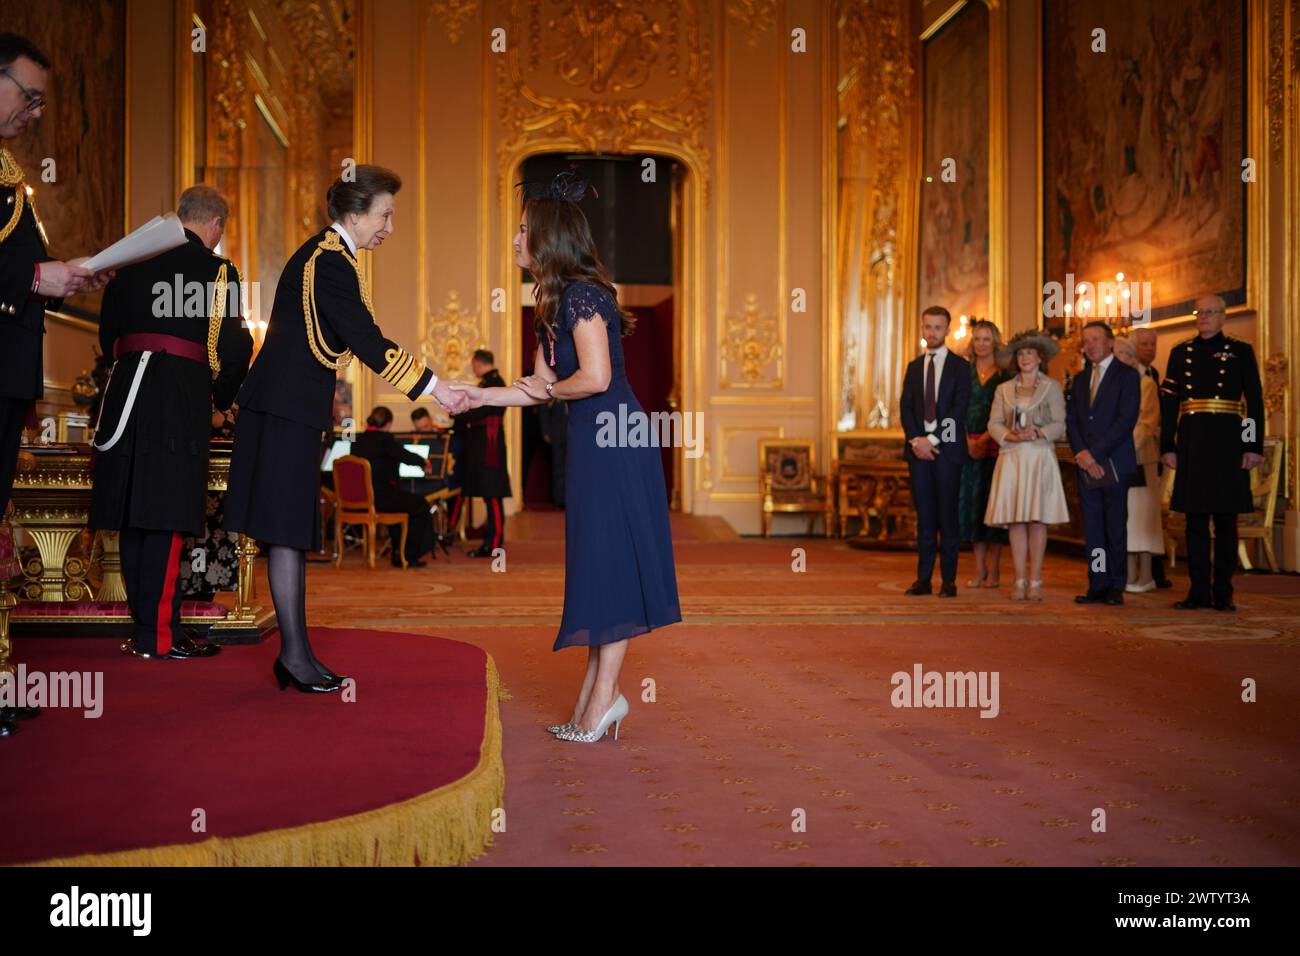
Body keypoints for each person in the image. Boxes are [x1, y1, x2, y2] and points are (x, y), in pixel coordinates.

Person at [452, 170, 681, 743]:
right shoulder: (554, 301)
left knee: (614, 564)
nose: (514, 241)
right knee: (600, 563)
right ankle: (595, 698)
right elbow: (539, 385)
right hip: (595, 440)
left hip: (615, 441)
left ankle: (602, 699)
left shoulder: (581, 295)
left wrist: (552, 390)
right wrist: (476, 394)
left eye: (522, 230)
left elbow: (595, 377)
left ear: (547, 239)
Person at [224, 165, 468, 693]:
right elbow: (365, 339)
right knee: (288, 533)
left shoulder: (330, 258)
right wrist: (436, 388)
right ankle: (294, 656)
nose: (389, 226)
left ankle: (297, 653)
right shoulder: (331, 262)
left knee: (290, 533)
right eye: (385, 215)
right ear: (354, 214)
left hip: (288, 408)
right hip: (283, 411)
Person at [90, 184, 253, 659]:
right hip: (177, 395)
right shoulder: (218, 270)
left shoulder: (132, 260)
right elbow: (230, 348)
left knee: (134, 513)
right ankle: (158, 637)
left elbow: (108, 336)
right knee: (164, 514)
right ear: (216, 226)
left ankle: (144, 628)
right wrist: (220, 398)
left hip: (122, 393)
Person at [0, 34, 110, 735]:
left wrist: (68, 273)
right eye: (29, 94)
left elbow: (27, 270)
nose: (36, 112)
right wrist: (40, 277)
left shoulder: (11, 174)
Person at [1160, 294, 1265, 611]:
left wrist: (1251, 445)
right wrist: (1168, 445)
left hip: (1228, 442)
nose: (1203, 317)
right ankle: (1198, 592)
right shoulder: (1181, 353)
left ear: (1223, 317)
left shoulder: (1240, 351)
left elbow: (1253, 404)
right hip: (1192, 441)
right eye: (1199, 312)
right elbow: (1169, 405)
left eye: (1210, 312)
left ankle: (1223, 592)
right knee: (1194, 521)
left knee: (1225, 521)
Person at [984, 330, 1070, 601]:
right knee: (1016, 520)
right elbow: (993, 423)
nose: (1025, 358)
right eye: (1020, 354)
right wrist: (1009, 435)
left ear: (1039, 357)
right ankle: (1019, 580)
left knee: (1037, 519)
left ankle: (1036, 580)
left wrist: (1037, 433)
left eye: (1029, 353)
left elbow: (1059, 423)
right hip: (1012, 457)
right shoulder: (1003, 388)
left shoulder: (1052, 387)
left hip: (1039, 456)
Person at [1066, 321, 1141, 605]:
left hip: (1115, 462)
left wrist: (1093, 453)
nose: (1091, 345)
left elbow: (1126, 420)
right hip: (1087, 466)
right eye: (1086, 341)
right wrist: (1082, 454)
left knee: (1114, 528)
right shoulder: (1081, 379)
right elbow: (1072, 421)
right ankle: (1096, 583)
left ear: (1110, 342)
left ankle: (1115, 586)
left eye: (1096, 339)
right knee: (1094, 529)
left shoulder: (1127, 376)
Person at [899, 306, 971, 597]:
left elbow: (958, 409)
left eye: (937, 327)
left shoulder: (960, 367)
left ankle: (949, 581)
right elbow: (905, 408)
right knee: (925, 516)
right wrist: (917, 440)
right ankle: (923, 579)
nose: (931, 332)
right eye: (927, 326)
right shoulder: (914, 367)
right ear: (922, 328)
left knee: (947, 516)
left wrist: (933, 440)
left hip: (947, 453)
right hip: (919, 453)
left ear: (947, 330)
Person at [958, 320, 1011, 588]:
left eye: (986, 339)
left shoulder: (1005, 377)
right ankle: (978, 570)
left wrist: (985, 438)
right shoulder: (962, 373)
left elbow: (1008, 414)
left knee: (993, 509)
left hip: (995, 448)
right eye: (977, 339)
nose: (981, 344)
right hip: (966, 448)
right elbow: (954, 410)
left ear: (995, 343)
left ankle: (995, 569)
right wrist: (968, 440)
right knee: (972, 509)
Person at [352, 405, 436, 567]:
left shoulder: (358, 440)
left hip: (361, 498)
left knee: (401, 504)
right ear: (388, 424)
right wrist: (423, 462)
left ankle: (399, 553)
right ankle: (409, 555)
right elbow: (404, 455)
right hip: (382, 498)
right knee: (420, 505)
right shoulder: (385, 440)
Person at [1112, 335, 1164, 592]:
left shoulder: (1146, 385)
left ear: (1132, 358)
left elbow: (1147, 423)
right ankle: (1128, 572)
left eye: (1122, 354)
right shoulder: (1111, 386)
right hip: (1116, 460)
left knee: (1143, 518)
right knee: (1126, 518)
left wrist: (1120, 447)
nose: (1118, 358)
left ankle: (1146, 575)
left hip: (1140, 459)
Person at [453, 349, 511, 558]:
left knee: (492, 495)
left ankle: (494, 545)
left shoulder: (494, 382)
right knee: (489, 495)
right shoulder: (489, 382)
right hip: (485, 447)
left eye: (473, 364)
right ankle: (491, 543)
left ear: (478, 363)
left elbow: (478, 410)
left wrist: (457, 409)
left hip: (490, 448)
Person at [1133, 326, 1173, 588]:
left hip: (1149, 451)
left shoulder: (1154, 375)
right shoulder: (1130, 377)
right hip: (1132, 450)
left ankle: (1153, 572)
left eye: (1153, 344)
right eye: (1145, 344)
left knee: (1148, 510)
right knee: (1137, 511)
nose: (1150, 349)